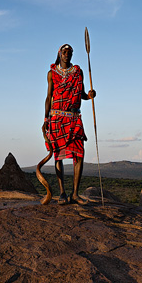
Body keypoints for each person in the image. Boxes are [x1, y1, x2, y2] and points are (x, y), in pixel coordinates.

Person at [42, 43, 96, 205]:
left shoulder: (78, 72)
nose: (67, 54)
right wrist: (45, 120)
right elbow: (49, 97)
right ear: (60, 54)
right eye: (64, 52)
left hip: (74, 118)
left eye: (69, 52)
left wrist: (90, 96)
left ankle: (75, 194)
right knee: (58, 156)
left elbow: (82, 94)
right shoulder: (52, 73)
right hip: (56, 117)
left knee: (79, 154)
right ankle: (62, 194)